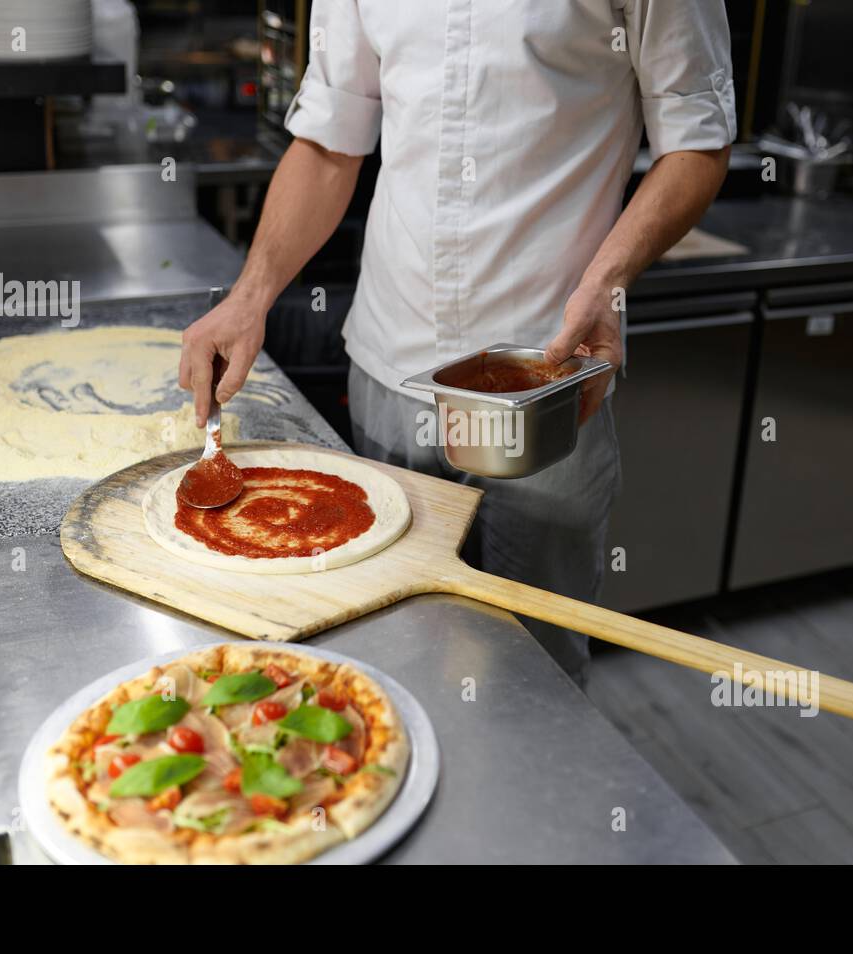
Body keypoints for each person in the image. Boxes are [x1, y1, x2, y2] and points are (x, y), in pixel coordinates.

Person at [180, 0, 735, 684]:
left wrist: (610, 276)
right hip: (390, 364)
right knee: (392, 651)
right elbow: (329, 142)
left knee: (532, 675)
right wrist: (250, 295)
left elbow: (698, 142)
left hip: (544, 376)